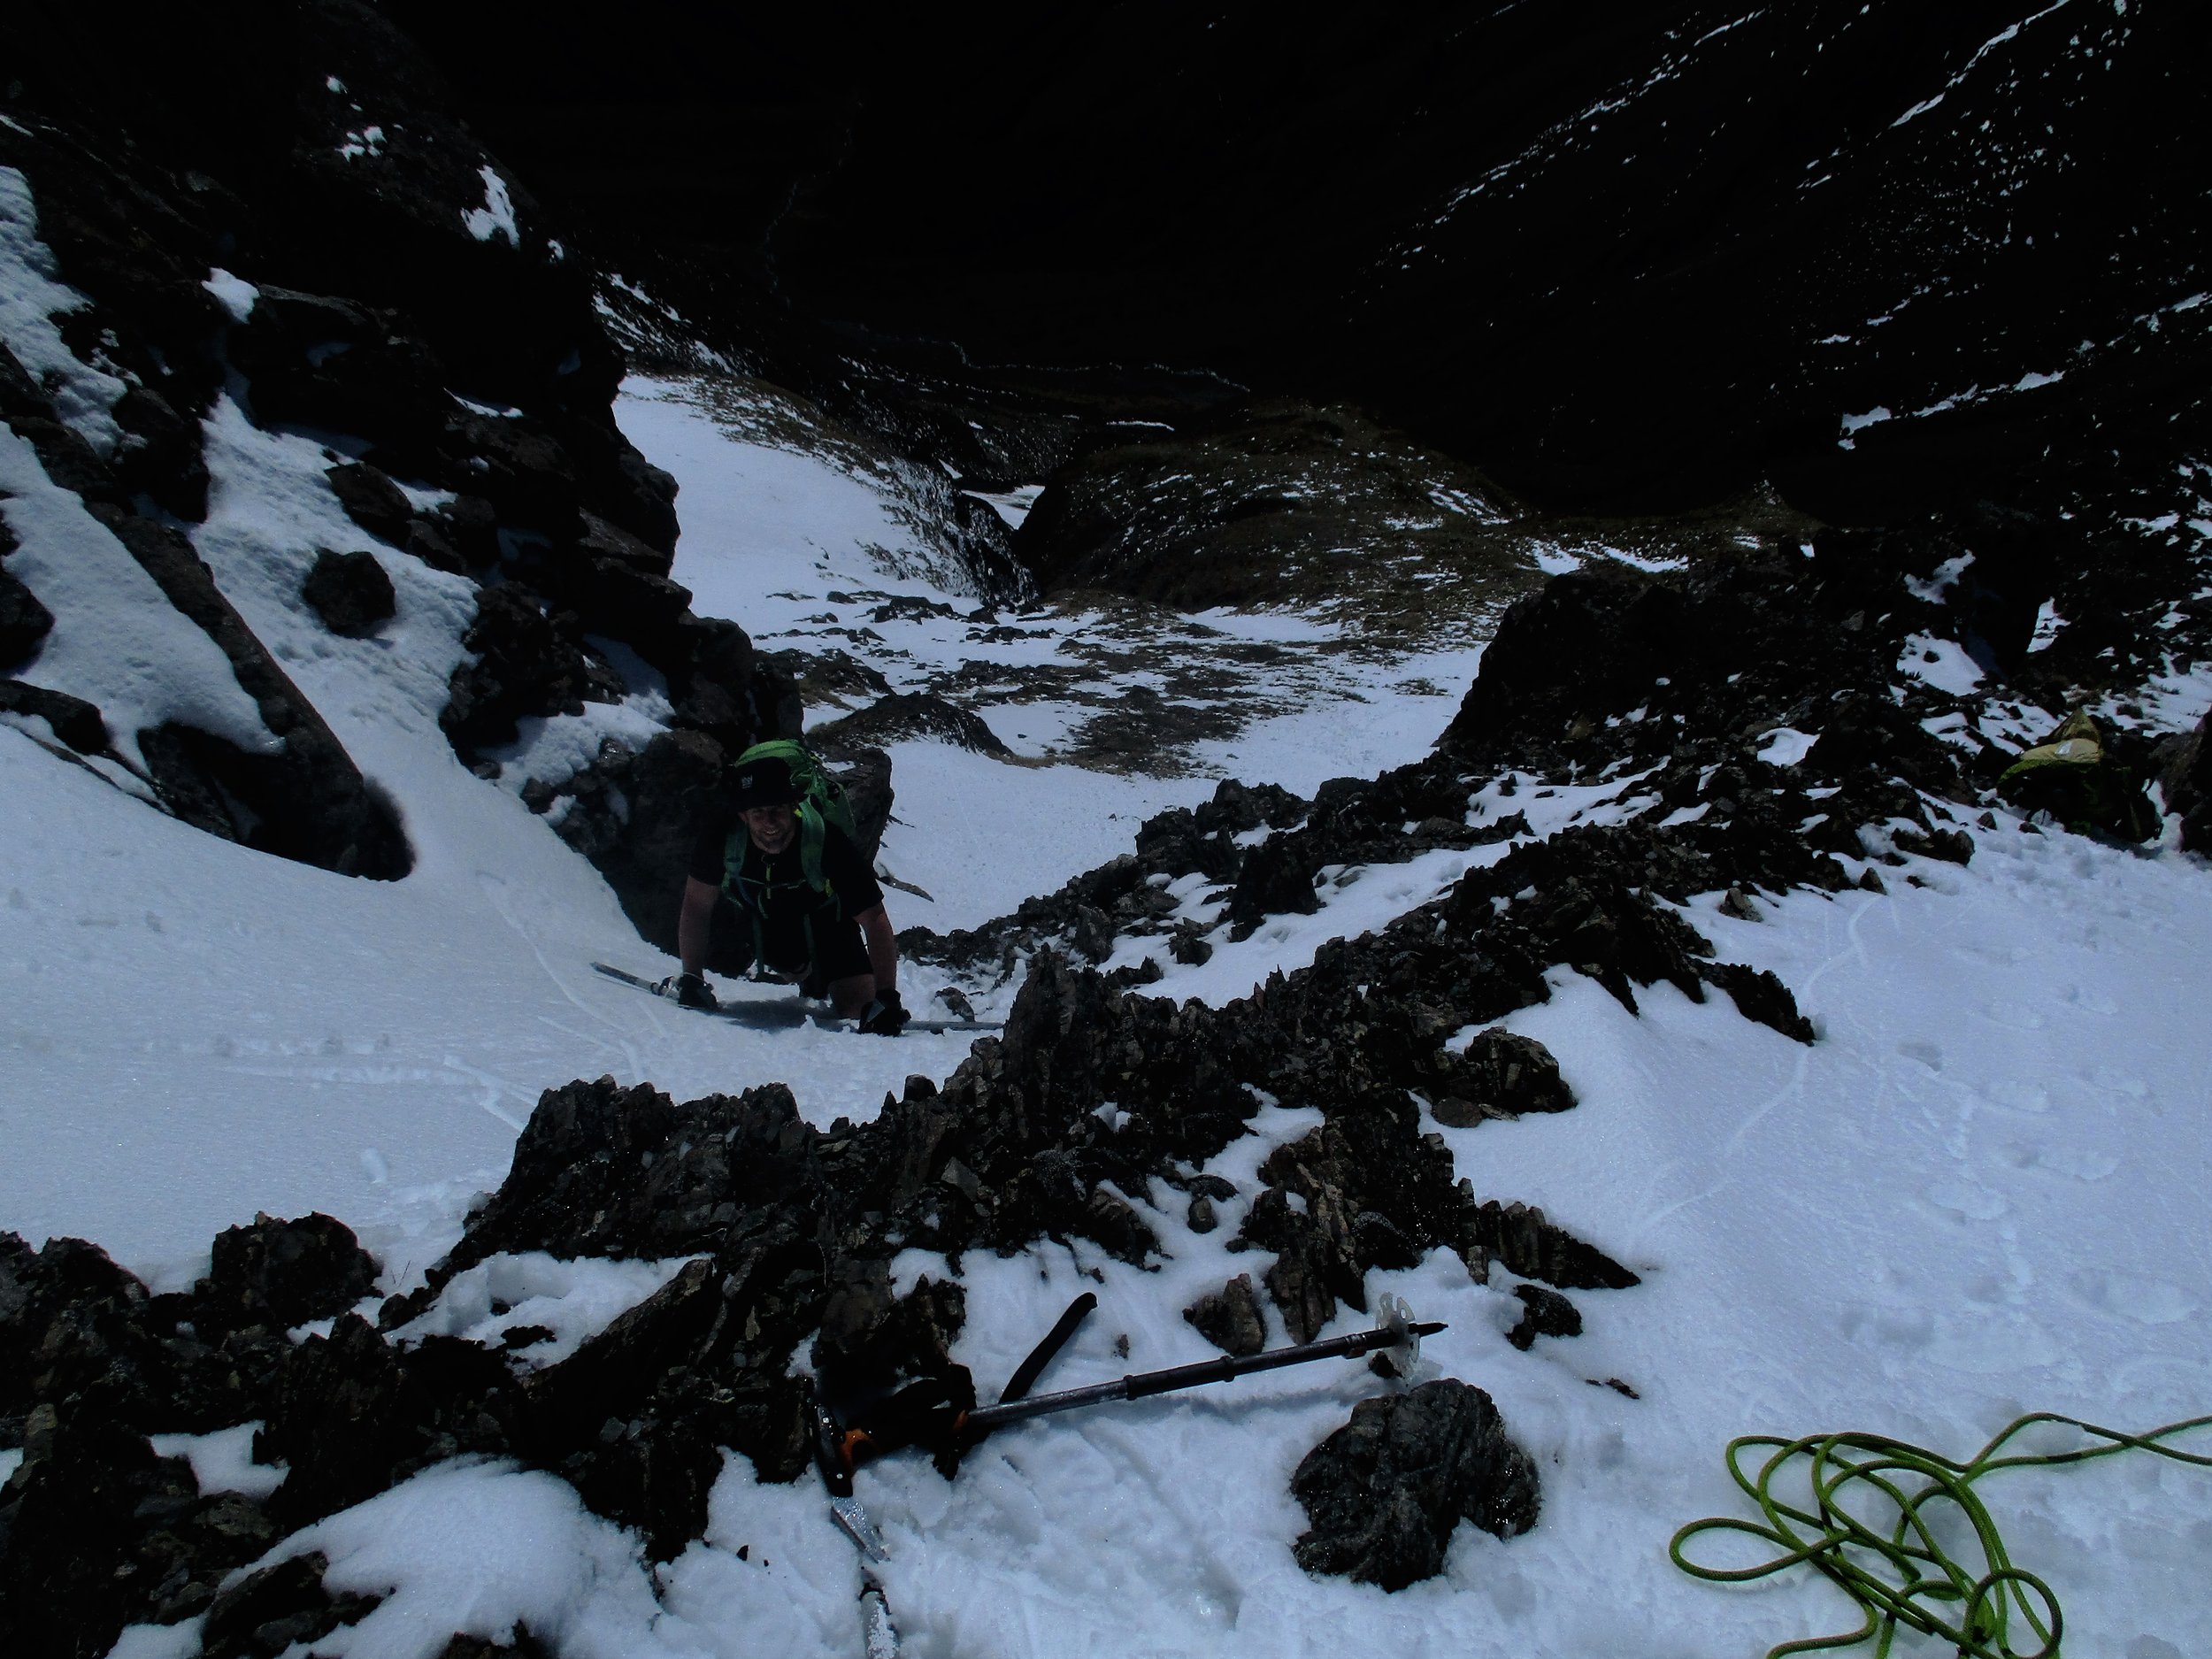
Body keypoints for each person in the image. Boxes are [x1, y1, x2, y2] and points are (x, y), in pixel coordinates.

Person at [668, 754, 908, 1033]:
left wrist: (886, 998)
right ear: (743, 815)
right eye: (758, 812)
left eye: (777, 810)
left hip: (825, 926)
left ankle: (816, 976)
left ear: (794, 806)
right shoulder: (720, 838)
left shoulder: (825, 841)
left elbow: (873, 917)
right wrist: (692, 977)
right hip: (751, 922)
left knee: (857, 1007)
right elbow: (697, 906)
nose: (769, 823)